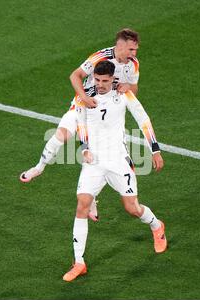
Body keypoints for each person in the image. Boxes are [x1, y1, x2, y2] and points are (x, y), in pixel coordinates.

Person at [20, 28, 141, 220]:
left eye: (135, 50)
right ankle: (39, 167)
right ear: (120, 46)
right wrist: (83, 97)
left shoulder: (133, 64)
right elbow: (75, 75)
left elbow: (134, 87)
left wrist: (129, 87)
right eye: (131, 49)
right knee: (61, 135)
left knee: (95, 156)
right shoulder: (100, 58)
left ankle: (91, 199)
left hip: (106, 116)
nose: (134, 54)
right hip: (82, 106)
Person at [62, 60, 166, 282]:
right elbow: (80, 123)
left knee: (132, 208)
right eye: (97, 80)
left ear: (112, 79)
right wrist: (85, 148)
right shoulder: (84, 97)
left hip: (119, 161)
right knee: (81, 204)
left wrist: (155, 151)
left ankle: (157, 226)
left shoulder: (123, 94)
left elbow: (143, 120)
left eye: (104, 81)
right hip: (95, 163)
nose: (100, 84)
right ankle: (79, 262)